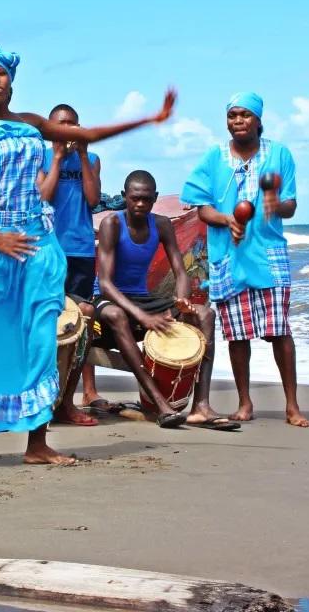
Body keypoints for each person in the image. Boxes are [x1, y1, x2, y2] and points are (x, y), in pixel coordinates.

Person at [0, 47, 174, 473]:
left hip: (37, 249)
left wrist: (148, 118)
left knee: (39, 345)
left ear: (11, 81)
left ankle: (38, 442)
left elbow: (87, 135)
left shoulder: (34, 125)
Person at [181, 92, 309, 427]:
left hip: (268, 255)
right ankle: (244, 403)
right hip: (228, 257)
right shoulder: (214, 157)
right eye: (232, 115)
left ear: (258, 119)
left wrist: (274, 204)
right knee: (238, 336)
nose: (237, 121)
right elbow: (201, 206)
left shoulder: (279, 154)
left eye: (244, 115)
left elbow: (291, 205)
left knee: (279, 331)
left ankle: (292, 406)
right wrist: (227, 220)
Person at [90, 170, 240, 430]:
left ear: (155, 199)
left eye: (146, 200)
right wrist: (142, 316)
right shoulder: (112, 224)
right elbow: (105, 283)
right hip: (107, 300)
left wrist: (182, 300)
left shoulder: (160, 224)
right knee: (115, 314)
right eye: (134, 198)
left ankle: (201, 406)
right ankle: (160, 403)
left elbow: (180, 271)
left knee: (205, 314)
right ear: (125, 197)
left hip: (143, 299)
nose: (140, 204)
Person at [37, 104, 100, 426]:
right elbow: (43, 197)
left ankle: (68, 400)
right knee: (42, 323)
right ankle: (39, 399)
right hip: (48, 252)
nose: (67, 130)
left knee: (83, 319)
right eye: (61, 125)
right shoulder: (40, 158)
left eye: (72, 125)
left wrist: (84, 155)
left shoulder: (91, 160)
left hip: (81, 251)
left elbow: (92, 199)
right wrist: (59, 158)